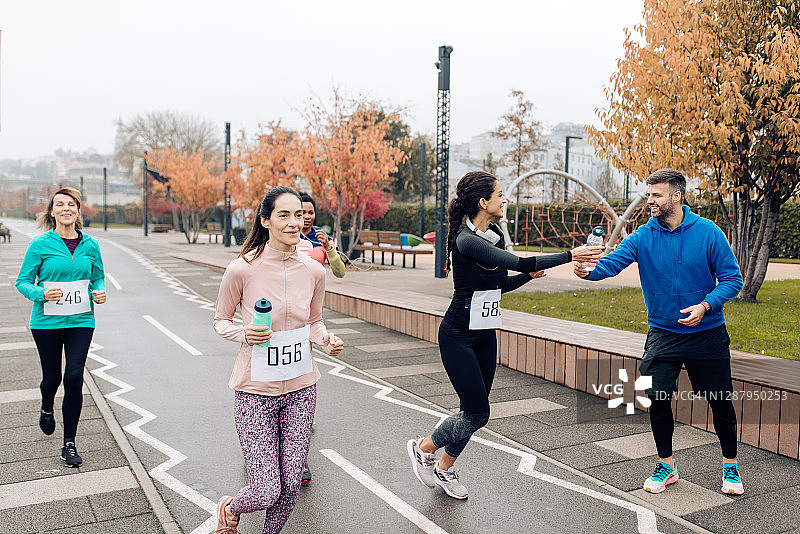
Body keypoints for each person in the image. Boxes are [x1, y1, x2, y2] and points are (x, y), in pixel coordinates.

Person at [406, 171, 603, 499]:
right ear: (483, 202)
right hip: (457, 336)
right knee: (478, 413)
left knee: (471, 412)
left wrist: (527, 278)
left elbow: (499, 284)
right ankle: (423, 448)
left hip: (485, 335)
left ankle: (444, 468)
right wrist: (571, 255)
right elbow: (518, 262)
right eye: (499, 194)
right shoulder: (466, 241)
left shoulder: (492, 234)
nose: (504, 199)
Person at [574, 168, 744, 496]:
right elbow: (609, 265)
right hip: (663, 334)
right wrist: (588, 272)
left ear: (676, 197)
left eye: (656, 195)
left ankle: (730, 466)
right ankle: (667, 464)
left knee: (720, 400)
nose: (649, 200)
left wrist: (706, 306)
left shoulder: (708, 233)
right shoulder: (642, 237)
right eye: (648, 194)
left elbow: (732, 279)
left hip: (707, 332)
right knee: (656, 396)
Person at [213, 186, 344, 533]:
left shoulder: (314, 271)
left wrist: (327, 340)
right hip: (255, 390)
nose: (293, 222)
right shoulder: (242, 269)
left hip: (302, 389)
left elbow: (314, 322)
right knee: (267, 488)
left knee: (289, 485)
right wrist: (244, 334)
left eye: (298, 214)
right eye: (284, 215)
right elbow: (220, 320)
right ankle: (231, 506)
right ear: (266, 220)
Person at [16, 187, 106, 468]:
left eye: (72, 204)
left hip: (81, 320)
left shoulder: (90, 245)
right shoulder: (40, 244)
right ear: (52, 211)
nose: (66, 208)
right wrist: (41, 294)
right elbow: (23, 282)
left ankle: (69, 443)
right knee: (52, 378)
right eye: (60, 204)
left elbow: (98, 277)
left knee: (75, 377)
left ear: (78, 211)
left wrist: (99, 291)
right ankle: (46, 406)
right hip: (47, 322)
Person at [299, 192, 345, 279]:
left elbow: (340, 273)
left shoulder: (322, 237)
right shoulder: (287, 236)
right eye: (302, 213)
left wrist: (328, 247)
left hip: (315, 289)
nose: (307, 216)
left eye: (311, 213)